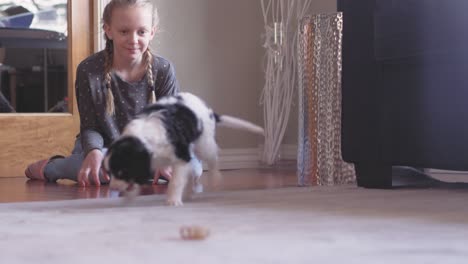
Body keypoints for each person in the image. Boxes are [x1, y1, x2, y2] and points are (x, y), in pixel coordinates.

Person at [25, 0, 202, 187]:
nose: (133, 40)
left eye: (141, 31)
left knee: (193, 168)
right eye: (124, 31)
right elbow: (90, 127)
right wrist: (93, 153)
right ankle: (55, 167)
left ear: (152, 32)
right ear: (108, 30)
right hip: (104, 148)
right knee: (98, 170)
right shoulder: (89, 70)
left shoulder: (163, 69)